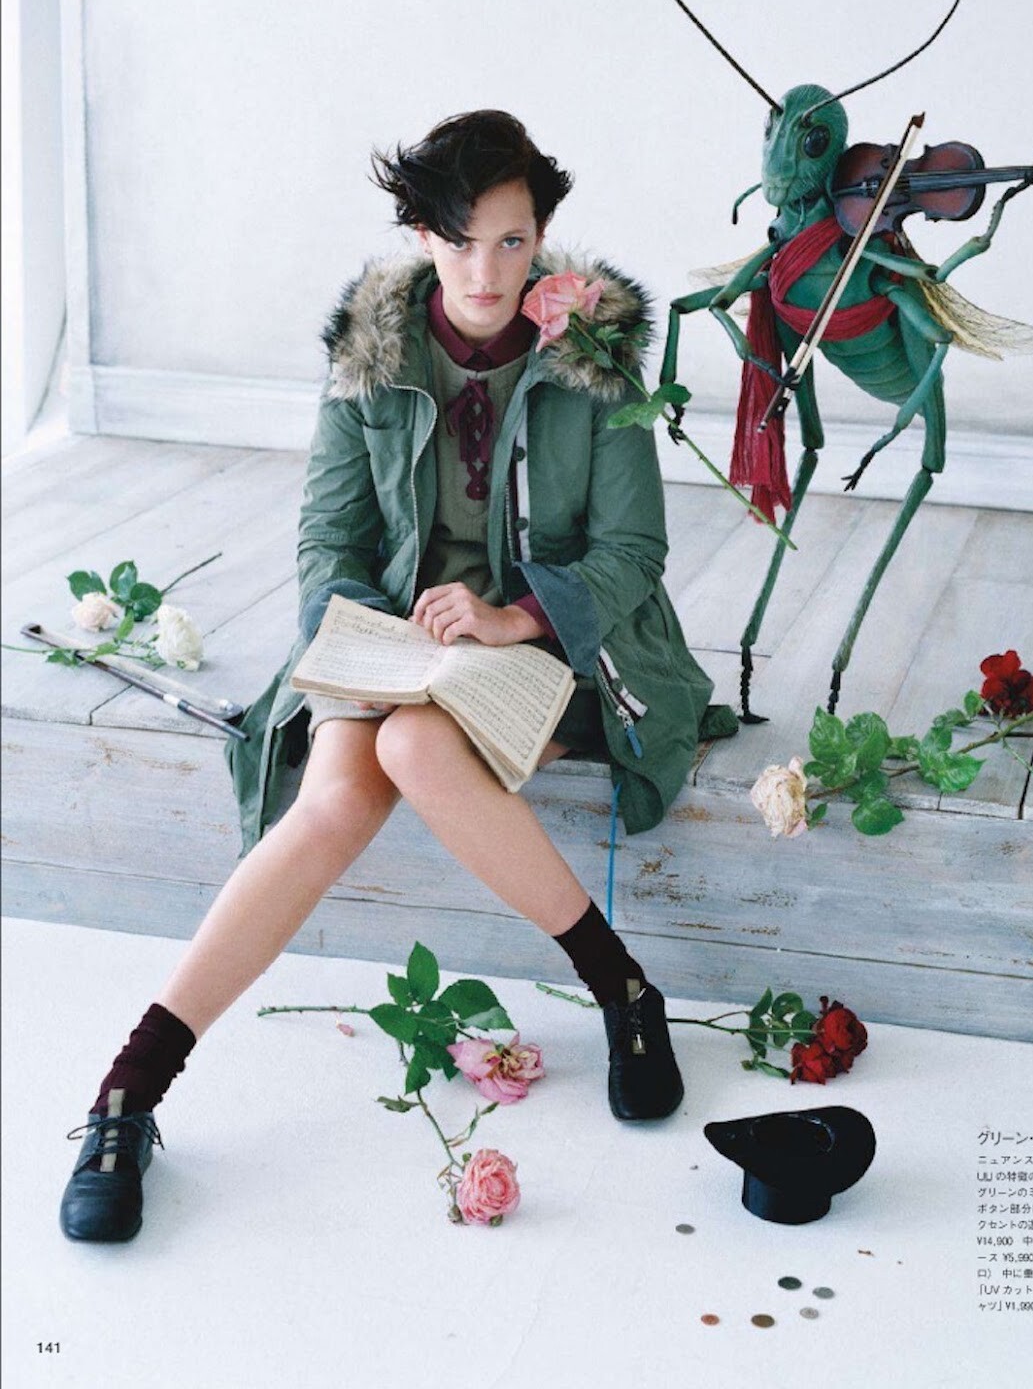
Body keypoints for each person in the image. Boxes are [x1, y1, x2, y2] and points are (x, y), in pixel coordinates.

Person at [59, 109, 736, 1243]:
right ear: (423, 235)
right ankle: (127, 1097)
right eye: (461, 240)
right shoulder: (369, 355)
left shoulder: (592, 352)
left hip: (555, 646)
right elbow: (329, 538)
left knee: (417, 746)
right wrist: (367, 644)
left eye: (511, 241)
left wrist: (511, 617)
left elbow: (632, 553)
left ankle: (623, 991)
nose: (487, 271)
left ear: (541, 236)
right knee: (337, 795)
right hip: (394, 641)